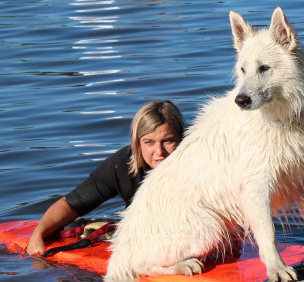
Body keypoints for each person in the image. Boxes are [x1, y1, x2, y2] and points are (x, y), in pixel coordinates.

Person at [26, 101, 186, 255]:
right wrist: (38, 235)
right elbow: (71, 205)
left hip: (186, 233)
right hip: (144, 235)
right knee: (70, 226)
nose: (159, 152)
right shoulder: (121, 166)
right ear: (137, 143)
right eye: (149, 142)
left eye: (168, 141)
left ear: (182, 139)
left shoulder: (201, 165)